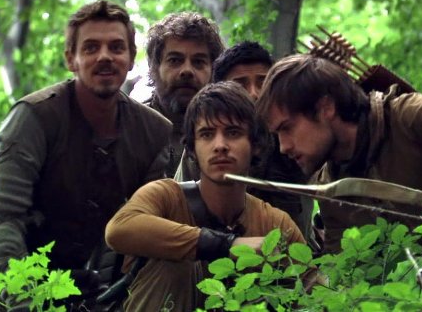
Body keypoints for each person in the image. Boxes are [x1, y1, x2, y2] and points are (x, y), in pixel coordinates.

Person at [256, 54, 422, 306]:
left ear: (326, 108)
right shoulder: (333, 190)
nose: (283, 147)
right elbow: (341, 275)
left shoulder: (410, 115)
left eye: (287, 128)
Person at [0, 0, 172, 306]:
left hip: (97, 287)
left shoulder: (152, 132)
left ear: (130, 59)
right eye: (90, 48)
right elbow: (4, 216)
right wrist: (22, 296)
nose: (104, 57)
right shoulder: (34, 118)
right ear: (71, 59)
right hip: (13, 278)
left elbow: (149, 225)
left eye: (116, 47)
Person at [105, 81, 305, 312]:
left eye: (233, 133)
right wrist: (228, 245)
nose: (220, 145)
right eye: (207, 134)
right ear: (192, 148)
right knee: (176, 267)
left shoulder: (275, 224)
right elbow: (119, 229)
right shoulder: (165, 197)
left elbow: (315, 294)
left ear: (256, 145)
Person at [210, 41, 314, 241]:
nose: (254, 93)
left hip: (295, 263)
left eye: (262, 82)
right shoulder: (205, 146)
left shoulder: (296, 138)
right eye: (240, 84)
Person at [145, 12, 225, 177]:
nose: (187, 71)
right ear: (155, 69)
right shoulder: (134, 129)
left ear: (213, 71)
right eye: (175, 60)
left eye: (198, 62)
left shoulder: (230, 134)